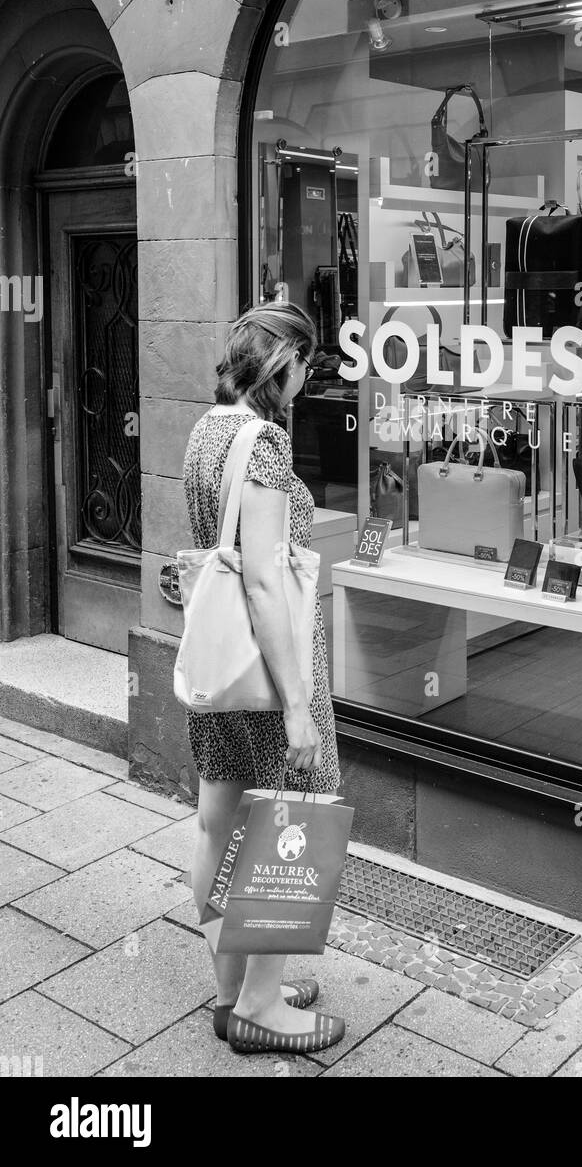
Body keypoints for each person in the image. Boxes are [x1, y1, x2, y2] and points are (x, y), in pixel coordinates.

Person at [182, 301, 345, 1056]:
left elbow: (216, 553)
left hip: (221, 665)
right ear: (283, 365)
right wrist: (299, 708)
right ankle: (261, 1010)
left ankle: (233, 988)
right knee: (291, 831)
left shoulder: (205, 429)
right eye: (308, 364)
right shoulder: (268, 446)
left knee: (220, 818)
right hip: (271, 671)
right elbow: (265, 582)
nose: (311, 378)